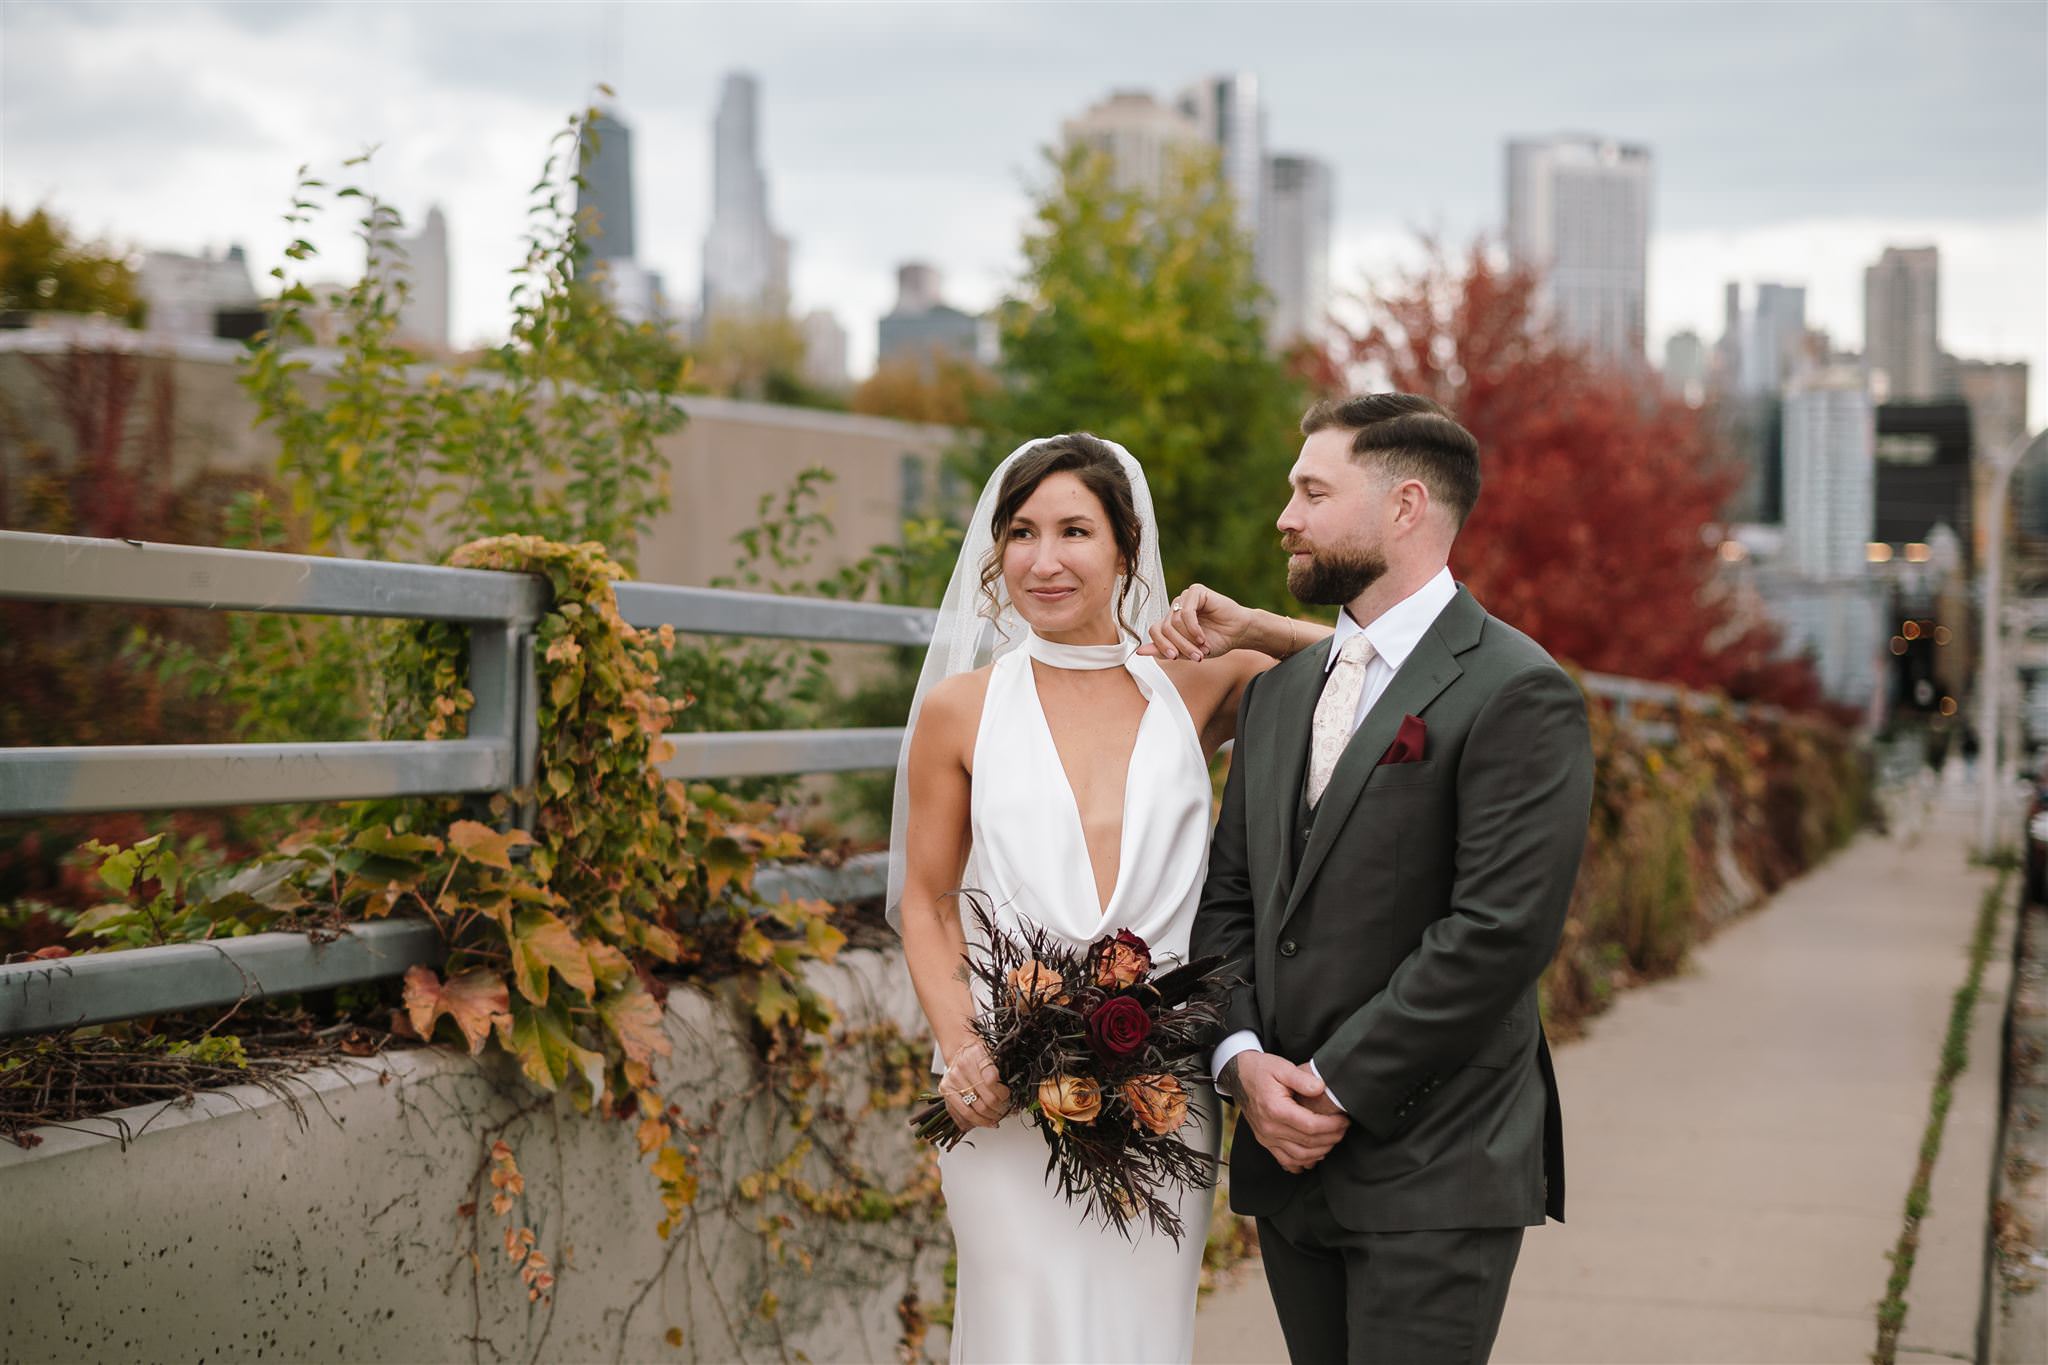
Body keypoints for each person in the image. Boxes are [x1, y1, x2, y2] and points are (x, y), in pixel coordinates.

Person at [1154, 393, 1594, 1363]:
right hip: (1286, 1164)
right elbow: (1228, 899)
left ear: (1404, 507)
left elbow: (1497, 933)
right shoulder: (1276, 694)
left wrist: (1329, 1085)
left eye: (1313, 492)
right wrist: (1240, 1063)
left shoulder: (1518, 690)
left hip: (1437, 1161)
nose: (1285, 517)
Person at [889, 432, 1312, 1364]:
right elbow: (924, 901)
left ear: (1127, 547)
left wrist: (1254, 625)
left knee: (1137, 1339)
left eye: (1074, 531)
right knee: (1019, 1331)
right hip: (1002, 1091)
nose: (1044, 560)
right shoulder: (961, 708)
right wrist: (963, 1049)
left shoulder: (1195, 685)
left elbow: (1383, 668)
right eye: (1022, 532)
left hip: (1161, 1091)